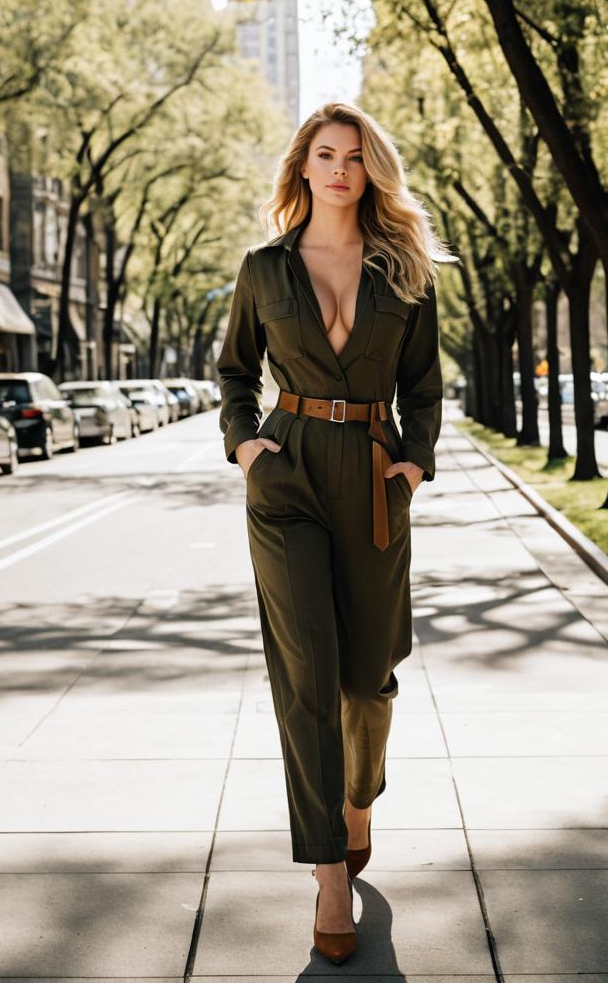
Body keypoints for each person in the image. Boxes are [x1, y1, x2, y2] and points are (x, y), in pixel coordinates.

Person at [216, 101, 452, 963]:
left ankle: (359, 801)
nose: (340, 168)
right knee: (306, 673)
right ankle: (327, 875)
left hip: (374, 470)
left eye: (355, 156)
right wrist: (246, 447)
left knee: (367, 676)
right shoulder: (264, 268)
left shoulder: (406, 268)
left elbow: (424, 385)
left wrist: (415, 459)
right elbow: (235, 371)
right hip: (286, 473)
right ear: (303, 167)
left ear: (370, 170)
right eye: (325, 153)